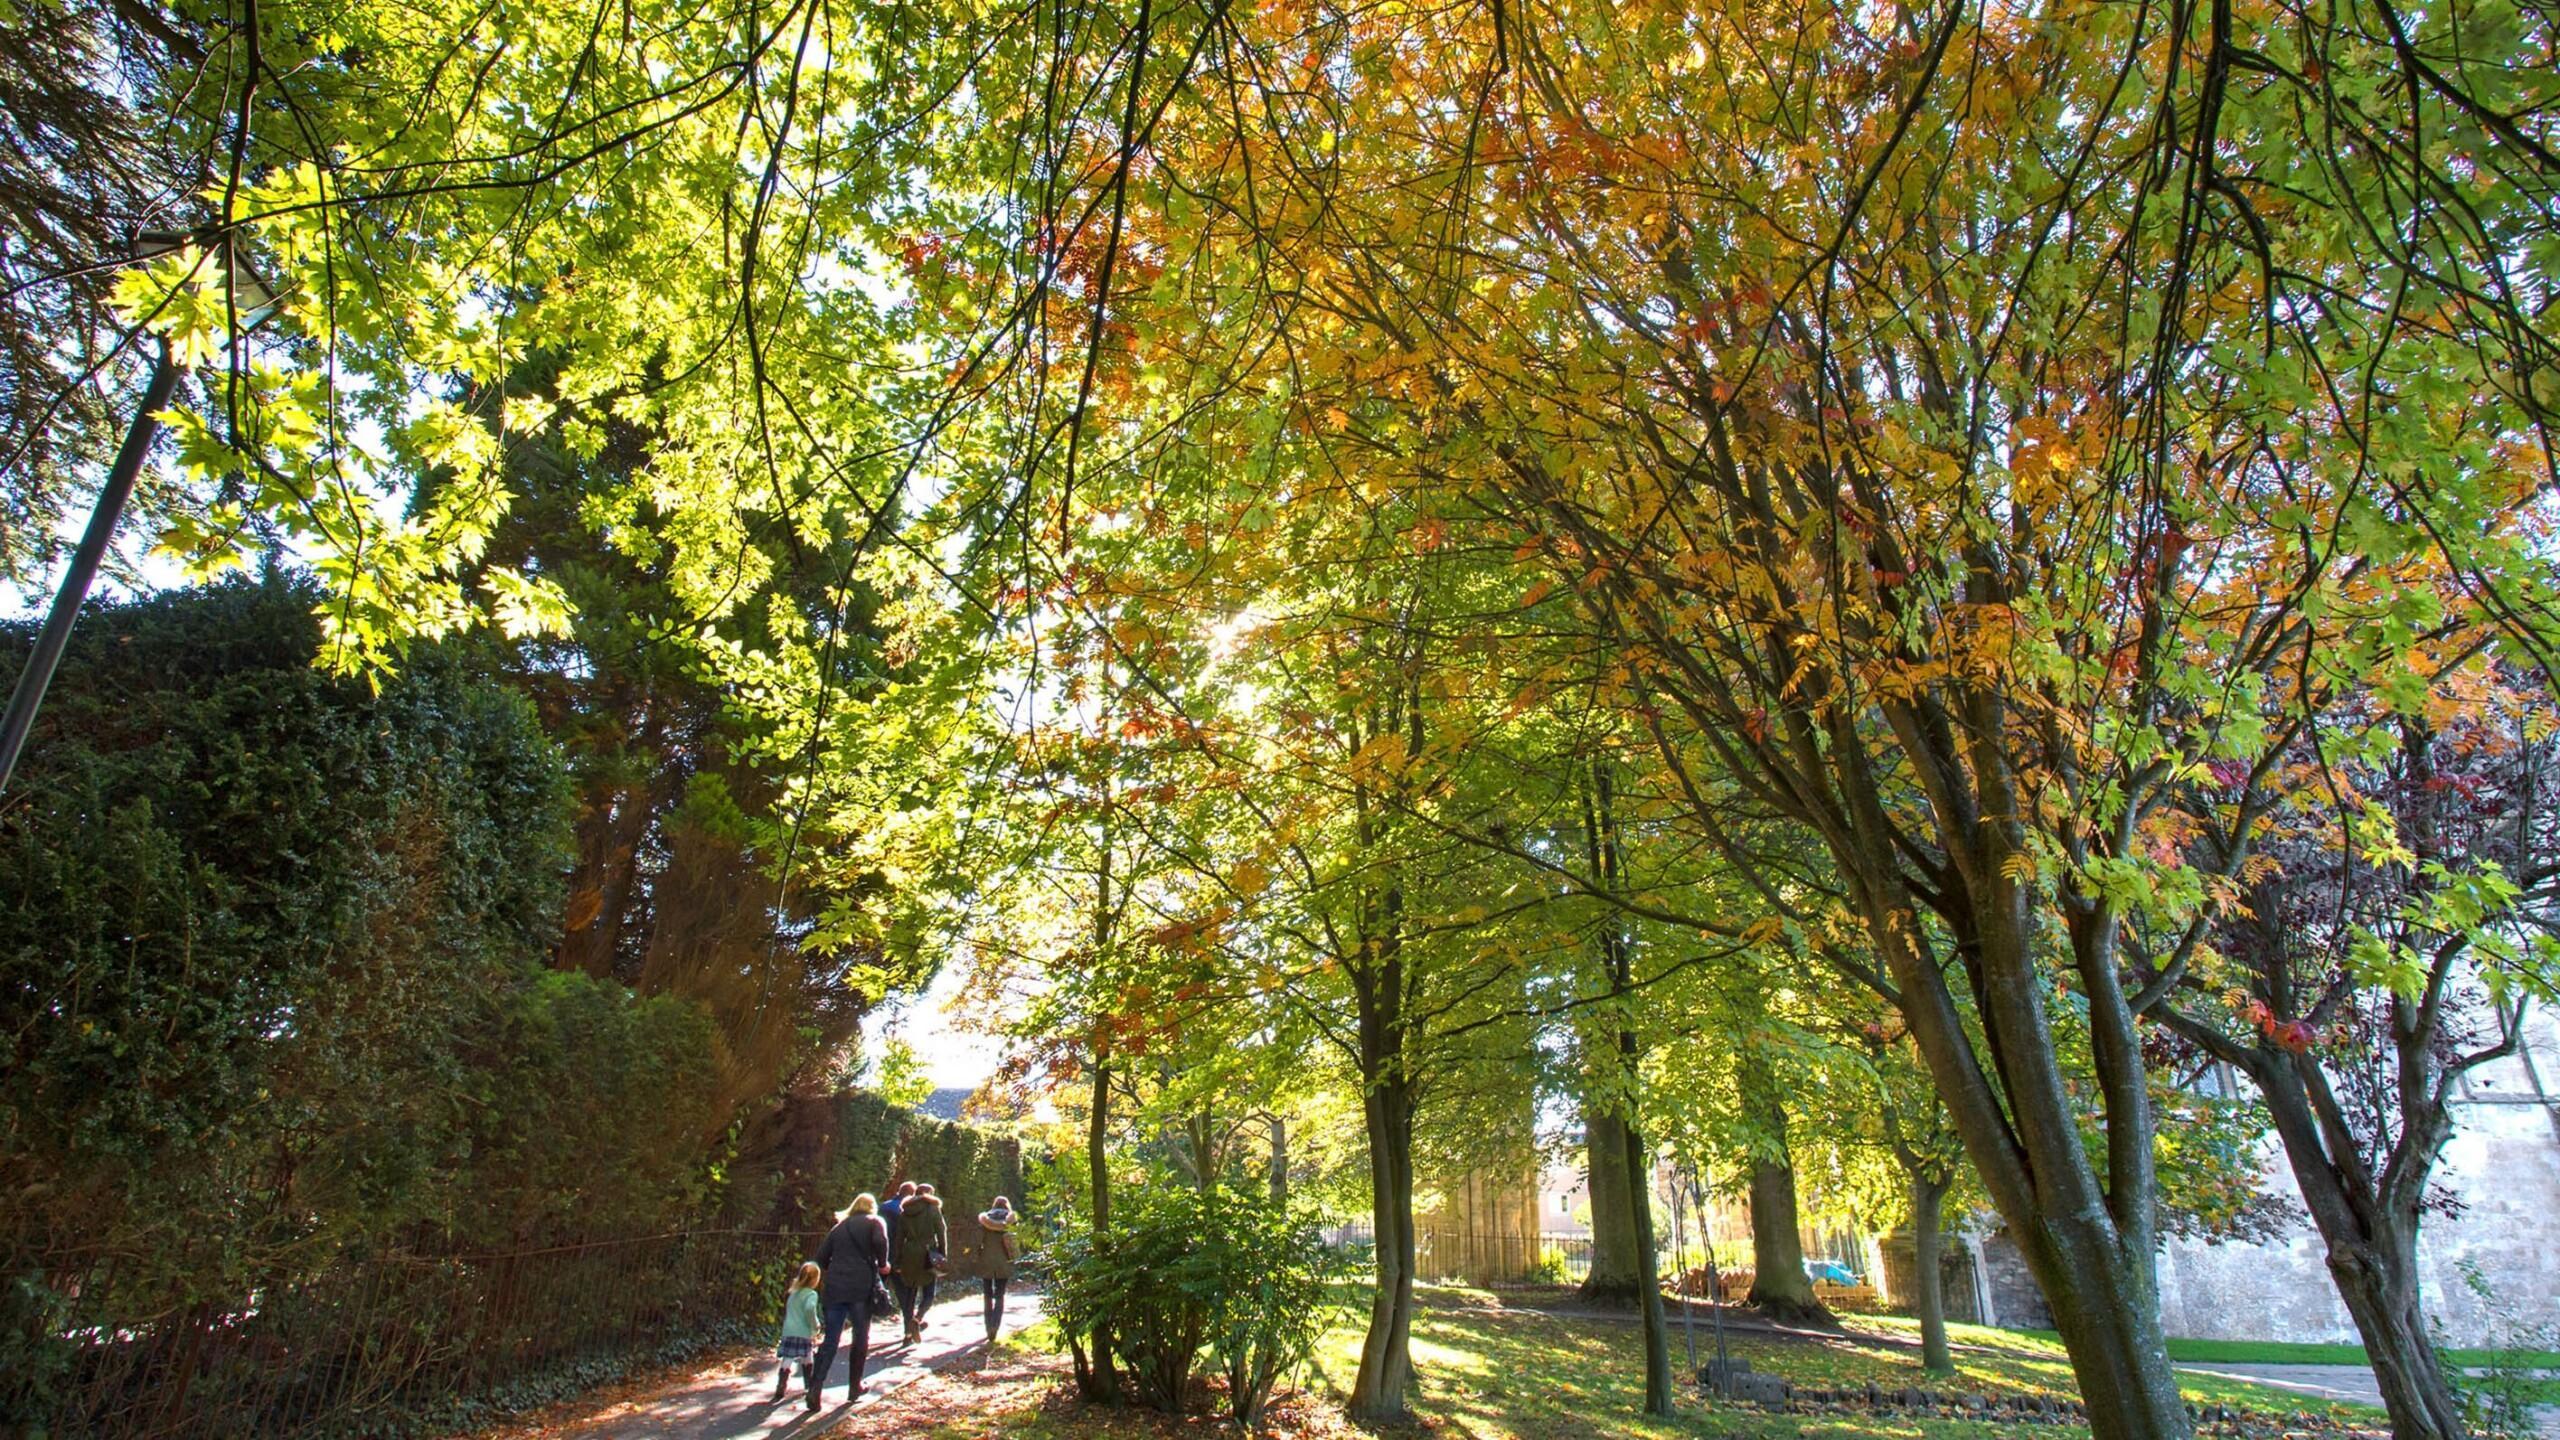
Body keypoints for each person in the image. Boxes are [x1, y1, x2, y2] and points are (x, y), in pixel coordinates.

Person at [806, 1193, 892, 1411]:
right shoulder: (875, 1222)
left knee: (831, 1339)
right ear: (872, 1207)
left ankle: (815, 1388)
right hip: (860, 1288)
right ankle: (855, 1386)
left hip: (835, 1287)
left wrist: (839, 1269)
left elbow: (821, 1258)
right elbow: (880, 1242)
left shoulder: (839, 1228)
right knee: (860, 1336)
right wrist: (882, 1264)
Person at [890, 1181, 948, 1344]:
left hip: (909, 1254)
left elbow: (899, 1238)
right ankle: (918, 1318)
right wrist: (943, 1255)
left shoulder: (904, 1211)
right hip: (928, 1253)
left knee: (910, 1294)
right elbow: (942, 1233)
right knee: (929, 1293)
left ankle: (907, 1334)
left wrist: (898, 1260)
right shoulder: (933, 1209)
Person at [772, 1262, 822, 1403]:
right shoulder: (811, 1294)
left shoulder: (793, 1292)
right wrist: (815, 1324)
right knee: (807, 1356)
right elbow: (809, 1309)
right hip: (803, 1331)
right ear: (814, 1279)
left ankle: (781, 1384)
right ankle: (809, 1384)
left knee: (788, 1357)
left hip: (789, 1330)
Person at [971, 1197, 1019, 1341]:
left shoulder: (985, 1221)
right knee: (1000, 1295)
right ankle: (995, 1326)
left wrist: (976, 1257)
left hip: (986, 1261)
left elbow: (977, 1242)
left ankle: (987, 1325)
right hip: (1004, 1261)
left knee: (987, 1294)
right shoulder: (1011, 1221)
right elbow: (1016, 1242)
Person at [882, 1180, 917, 1256]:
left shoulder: (884, 1205)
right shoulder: (907, 1209)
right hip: (896, 1247)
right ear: (912, 1194)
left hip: (881, 1243)